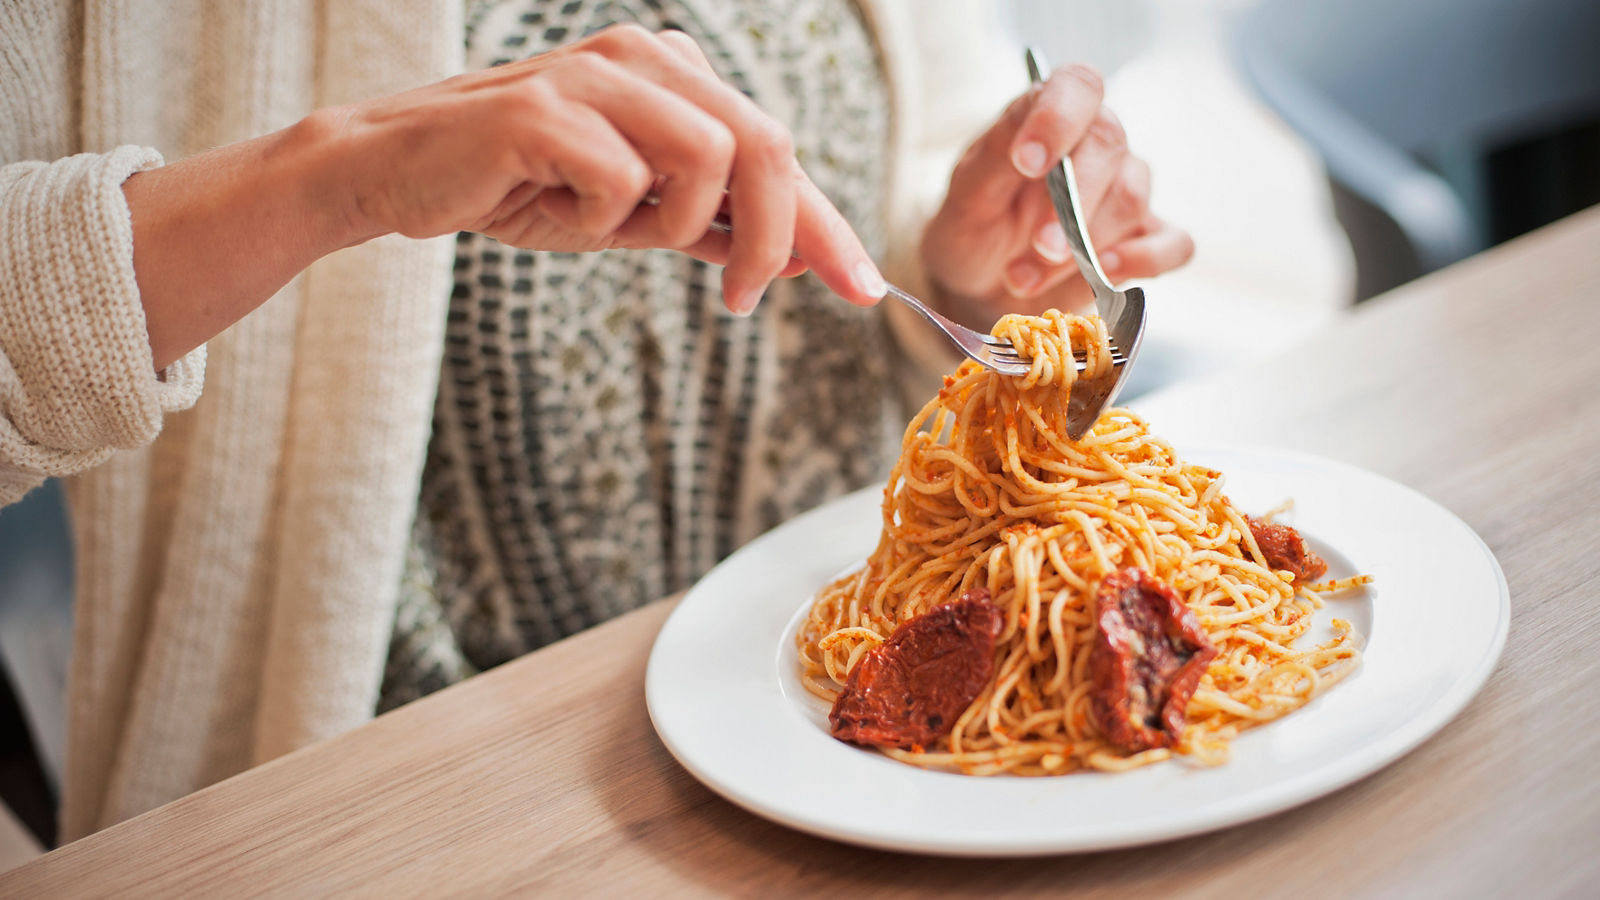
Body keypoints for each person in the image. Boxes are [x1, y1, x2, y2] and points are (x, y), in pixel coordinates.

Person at [0, 0, 1190, 841]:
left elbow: (894, 197)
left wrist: (973, 275)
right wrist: (337, 174)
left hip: (860, 713)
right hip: (394, 804)